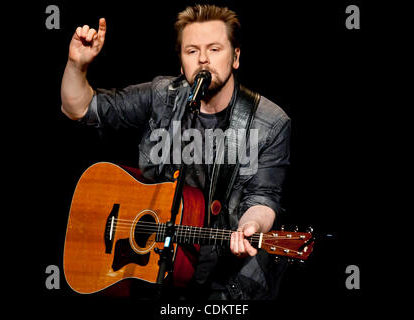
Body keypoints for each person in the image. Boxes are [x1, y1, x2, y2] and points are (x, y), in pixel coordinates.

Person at [61, 4, 290, 300]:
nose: (203, 59)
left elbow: (264, 197)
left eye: (215, 49)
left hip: (229, 279)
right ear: (182, 64)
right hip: (156, 272)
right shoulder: (162, 96)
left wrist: (251, 225)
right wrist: (76, 66)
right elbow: (79, 108)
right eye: (192, 51)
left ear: (235, 57)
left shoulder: (270, 123)